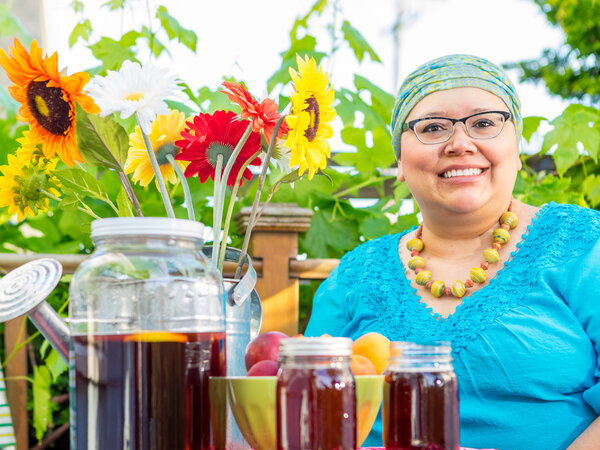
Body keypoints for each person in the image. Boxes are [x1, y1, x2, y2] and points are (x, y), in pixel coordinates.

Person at [304, 54, 600, 449]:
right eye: (433, 127)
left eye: (483, 123)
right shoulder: (356, 275)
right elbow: (309, 410)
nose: (460, 144)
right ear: (400, 163)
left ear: (517, 146)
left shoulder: (581, 244)